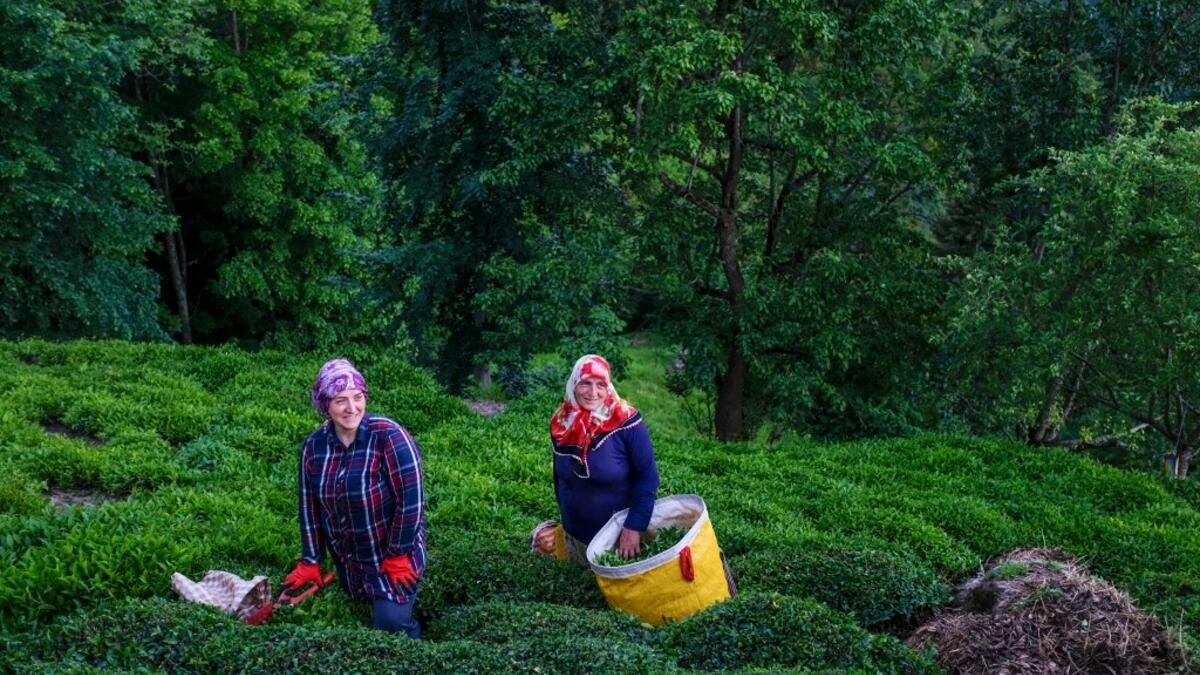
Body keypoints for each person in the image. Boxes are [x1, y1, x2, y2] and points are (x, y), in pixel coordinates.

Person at [282, 358, 427, 637]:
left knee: (391, 626)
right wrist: (311, 559)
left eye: (357, 398)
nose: (352, 408)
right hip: (350, 558)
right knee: (357, 602)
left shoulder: (389, 436)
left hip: (393, 554)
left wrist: (397, 553)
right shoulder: (314, 446)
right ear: (325, 405)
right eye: (340, 400)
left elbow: (412, 502)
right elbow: (309, 507)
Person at [535, 354, 660, 565]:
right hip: (575, 539)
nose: (593, 392)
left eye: (600, 384)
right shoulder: (561, 422)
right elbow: (560, 476)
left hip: (619, 542)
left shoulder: (626, 421)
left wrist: (634, 526)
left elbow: (648, 477)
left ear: (608, 386)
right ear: (574, 384)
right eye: (585, 383)